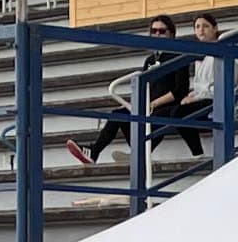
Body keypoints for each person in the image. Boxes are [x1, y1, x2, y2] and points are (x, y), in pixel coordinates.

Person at [81, 17, 202, 167]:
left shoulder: (178, 56)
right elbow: (144, 87)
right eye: (154, 31)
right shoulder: (150, 60)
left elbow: (180, 90)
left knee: (159, 116)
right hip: (150, 107)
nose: (157, 34)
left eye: (162, 31)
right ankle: (94, 152)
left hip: (168, 106)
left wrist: (153, 104)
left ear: (171, 34)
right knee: (118, 114)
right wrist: (135, 104)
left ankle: (139, 154)